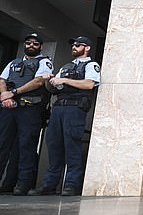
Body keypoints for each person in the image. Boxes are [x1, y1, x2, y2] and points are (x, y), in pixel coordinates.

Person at [29, 36, 100, 196]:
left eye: (78, 45)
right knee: (54, 146)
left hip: (75, 110)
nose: (74, 47)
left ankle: (71, 185)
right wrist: (50, 80)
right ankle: (49, 184)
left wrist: (64, 80)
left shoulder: (91, 65)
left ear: (87, 48)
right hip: (59, 107)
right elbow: (54, 87)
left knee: (72, 146)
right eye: (73, 45)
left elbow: (89, 84)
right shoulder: (67, 66)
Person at [0, 33, 53, 195]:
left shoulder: (44, 62)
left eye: (35, 43)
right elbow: (2, 80)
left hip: (30, 109)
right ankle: (6, 183)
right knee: (2, 145)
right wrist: (4, 96)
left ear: (41, 47)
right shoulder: (13, 62)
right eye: (28, 42)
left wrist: (13, 92)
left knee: (26, 147)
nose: (31, 45)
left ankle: (22, 184)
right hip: (9, 108)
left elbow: (38, 81)